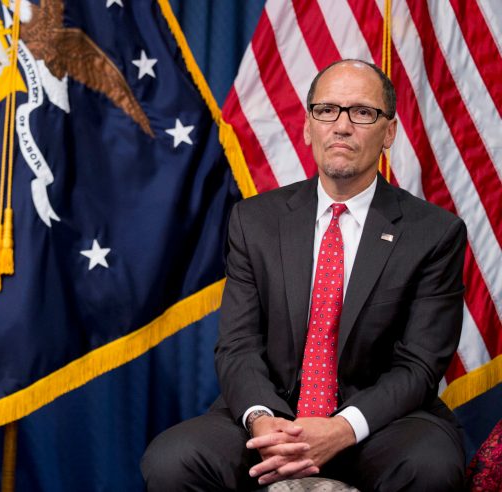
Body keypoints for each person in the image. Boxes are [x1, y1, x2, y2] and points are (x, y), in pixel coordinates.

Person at [141, 59, 467, 491]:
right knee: (171, 461)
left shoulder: (434, 232)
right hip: (272, 418)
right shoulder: (254, 221)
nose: (342, 126)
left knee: (431, 466)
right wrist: (262, 421)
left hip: (380, 424)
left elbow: (419, 365)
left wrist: (343, 428)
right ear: (308, 126)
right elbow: (238, 345)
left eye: (362, 112)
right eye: (327, 110)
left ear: (388, 133)